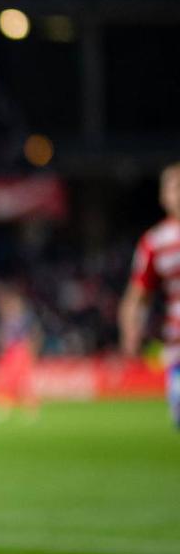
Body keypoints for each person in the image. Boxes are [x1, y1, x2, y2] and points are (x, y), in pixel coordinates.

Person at [119, 161, 180, 429]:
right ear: (163, 196)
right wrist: (130, 329)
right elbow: (137, 295)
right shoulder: (155, 242)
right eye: (175, 187)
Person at [0, 286, 39, 422]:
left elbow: (31, 336)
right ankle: (7, 410)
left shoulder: (21, 320)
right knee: (10, 383)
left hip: (19, 352)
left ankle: (28, 410)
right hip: (13, 353)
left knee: (18, 383)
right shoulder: (9, 321)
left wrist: (29, 352)